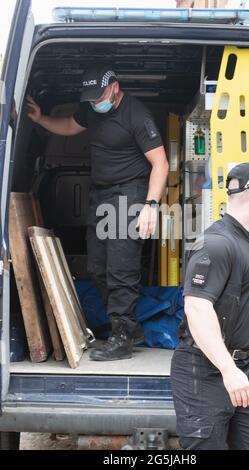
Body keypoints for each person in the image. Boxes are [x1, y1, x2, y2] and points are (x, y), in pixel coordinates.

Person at [27, 66, 169, 361]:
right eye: (90, 99)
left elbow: (161, 164)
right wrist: (41, 119)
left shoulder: (136, 115)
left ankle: (122, 338)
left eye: (99, 96)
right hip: (101, 193)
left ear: (115, 87)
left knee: (121, 268)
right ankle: (129, 328)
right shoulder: (92, 108)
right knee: (97, 267)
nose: (94, 103)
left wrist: (150, 206)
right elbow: (69, 125)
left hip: (129, 193)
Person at [171, 162, 249, 450]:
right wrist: (228, 370)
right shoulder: (216, 243)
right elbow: (197, 309)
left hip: (245, 369)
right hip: (204, 370)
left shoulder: (247, 248)